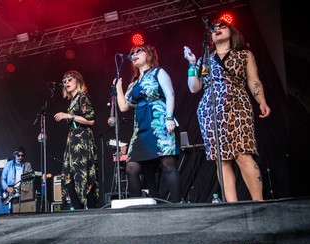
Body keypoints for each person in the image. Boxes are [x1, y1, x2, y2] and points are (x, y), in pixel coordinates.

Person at [183, 18, 271, 202]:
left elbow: (254, 81)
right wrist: (192, 65)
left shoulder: (244, 54)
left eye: (222, 26)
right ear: (210, 37)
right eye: (214, 28)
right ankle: (232, 206)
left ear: (232, 32)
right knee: (221, 159)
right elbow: (194, 87)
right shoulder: (205, 59)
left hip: (237, 104)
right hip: (210, 110)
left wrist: (261, 100)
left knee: (243, 155)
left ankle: (260, 203)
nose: (218, 29)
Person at [114, 44, 181, 203]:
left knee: (167, 163)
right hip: (141, 128)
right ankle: (138, 208)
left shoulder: (158, 72)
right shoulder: (134, 83)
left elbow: (170, 94)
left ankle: (179, 204)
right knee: (132, 167)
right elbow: (124, 107)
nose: (134, 54)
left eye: (139, 51)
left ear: (149, 55)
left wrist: (169, 117)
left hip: (159, 121)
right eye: (132, 52)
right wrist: (118, 88)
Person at [53, 70, 99, 209]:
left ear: (78, 81)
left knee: (83, 174)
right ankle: (78, 210)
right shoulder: (72, 101)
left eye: (69, 79)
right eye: (64, 80)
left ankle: (90, 209)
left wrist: (70, 116)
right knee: (68, 176)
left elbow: (91, 120)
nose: (66, 82)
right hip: (72, 141)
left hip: (82, 140)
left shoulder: (82, 97)